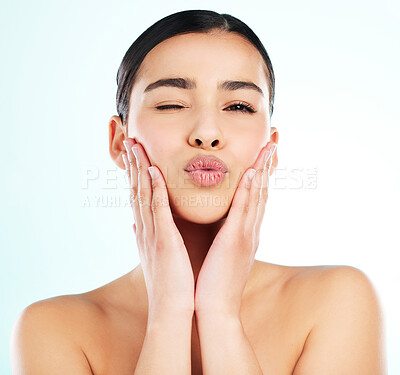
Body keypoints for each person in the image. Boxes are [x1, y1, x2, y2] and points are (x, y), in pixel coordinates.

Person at [10, 9, 385, 375]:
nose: (207, 132)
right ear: (119, 141)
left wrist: (220, 314)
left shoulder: (337, 302)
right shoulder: (54, 330)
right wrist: (169, 314)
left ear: (269, 146)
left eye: (238, 106)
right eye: (172, 103)